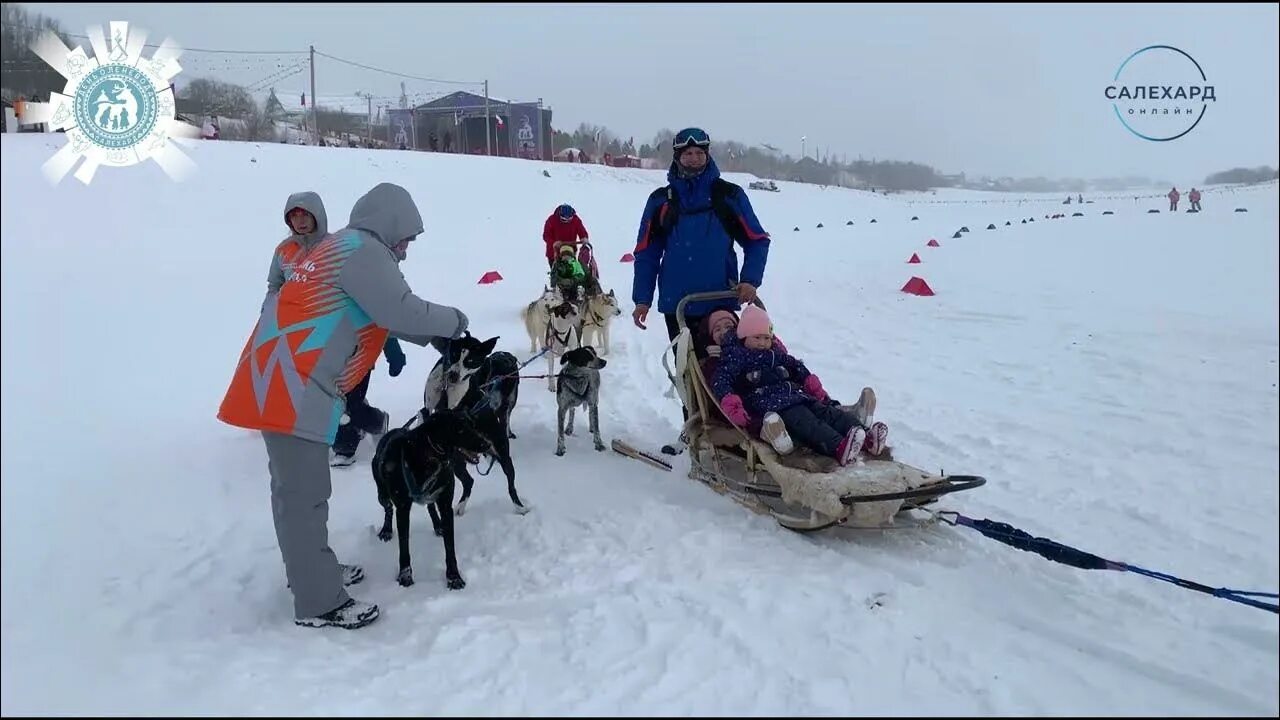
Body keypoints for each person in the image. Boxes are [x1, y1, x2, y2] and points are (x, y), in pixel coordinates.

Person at [217, 184, 469, 630]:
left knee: (295, 495)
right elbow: (400, 310)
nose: (407, 250)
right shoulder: (362, 251)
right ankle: (319, 600)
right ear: (391, 225)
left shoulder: (338, 248)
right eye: (407, 238)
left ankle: (312, 573)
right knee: (304, 499)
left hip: (280, 377)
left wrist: (434, 338)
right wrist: (456, 321)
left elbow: (377, 312)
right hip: (295, 385)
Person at [629, 127, 770, 351]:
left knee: (728, 366)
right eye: (687, 154)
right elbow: (647, 253)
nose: (694, 159)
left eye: (699, 153)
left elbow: (757, 240)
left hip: (720, 299)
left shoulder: (728, 196)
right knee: (688, 374)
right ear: (677, 158)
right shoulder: (661, 201)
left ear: (707, 155)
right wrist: (642, 299)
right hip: (678, 306)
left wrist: (750, 280)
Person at [698, 309, 886, 458]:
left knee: (827, 413)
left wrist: (809, 381)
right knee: (809, 422)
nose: (762, 343)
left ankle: (866, 435)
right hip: (771, 403)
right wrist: (731, 402)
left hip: (796, 394)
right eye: (757, 338)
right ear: (743, 337)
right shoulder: (734, 358)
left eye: (766, 338)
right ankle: (838, 446)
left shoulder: (774, 353)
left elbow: (794, 365)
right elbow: (721, 380)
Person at [328, 337, 406, 466]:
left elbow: (383, 323)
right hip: (328, 357)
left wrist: (394, 354)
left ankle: (346, 448)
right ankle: (369, 419)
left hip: (360, 359)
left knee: (349, 405)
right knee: (329, 399)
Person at [543, 204, 592, 272]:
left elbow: (582, 231)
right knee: (557, 272)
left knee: (571, 270)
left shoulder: (576, 220)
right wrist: (554, 242)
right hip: (554, 252)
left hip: (570, 250)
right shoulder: (551, 220)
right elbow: (546, 236)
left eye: (569, 219)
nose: (567, 221)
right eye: (564, 219)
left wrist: (584, 238)